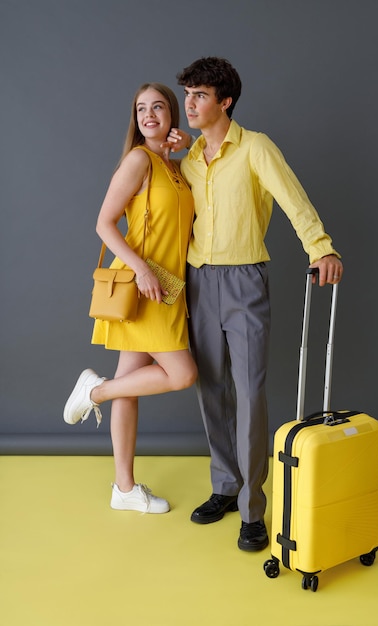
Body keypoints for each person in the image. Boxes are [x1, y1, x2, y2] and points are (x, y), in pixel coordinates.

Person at [171, 57, 343, 551]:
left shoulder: (256, 148)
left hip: (245, 281)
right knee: (212, 391)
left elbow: (293, 199)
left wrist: (321, 247)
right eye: (188, 95)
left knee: (249, 394)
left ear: (225, 102)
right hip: (198, 282)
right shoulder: (189, 159)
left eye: (200, 95)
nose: (190, 104)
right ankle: (224, 487)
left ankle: (253, 508)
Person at [63, 83, 197, 514]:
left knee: (131, 388)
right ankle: (97, 391)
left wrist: (186, 144)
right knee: (182, 373)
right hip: (143, 285)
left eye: (158, 106)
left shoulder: (172, 166)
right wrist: (139, 269)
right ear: (135, 119)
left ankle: (124, 488)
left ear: (172, 115)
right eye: (141, 109)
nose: (149, 114)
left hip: (167, 288)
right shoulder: (139, 159)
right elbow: (104, 223)